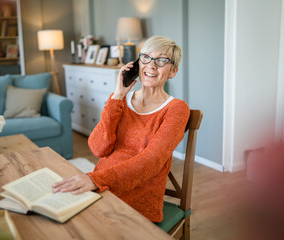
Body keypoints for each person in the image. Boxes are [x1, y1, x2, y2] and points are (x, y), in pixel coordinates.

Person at [52, 36, 190, 223]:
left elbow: (152, 160)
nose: (151, 65)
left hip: (137, 196)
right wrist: (117, 96)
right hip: (101, 186)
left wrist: (96, 180)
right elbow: (98, 148)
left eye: (161, 60)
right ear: (137, 64)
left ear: (173, 71)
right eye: (146, 57)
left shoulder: (176, 109)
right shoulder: (120, 99)